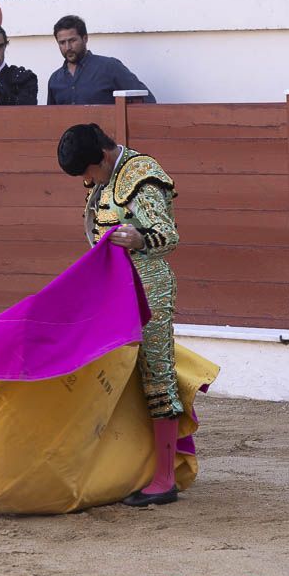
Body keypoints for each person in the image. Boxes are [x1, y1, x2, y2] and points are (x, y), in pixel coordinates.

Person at [57, 122, 182, 506]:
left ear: (103, 157)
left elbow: (169, 235)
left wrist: (141, 238)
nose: (87, 180)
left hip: (148, 289)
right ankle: (127, 467)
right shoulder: (105, 176)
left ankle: (164, 479)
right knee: (109, 374)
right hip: (113, 289)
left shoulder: (140, 178)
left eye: (88, 172)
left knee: (156, 376)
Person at [47, 14, 155, 105]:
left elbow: (146, 100)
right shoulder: (55, 79)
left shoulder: (110, 67)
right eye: (62, 42)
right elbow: (50, 117)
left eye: (72, 40)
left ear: (85, 38)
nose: (68, 47)